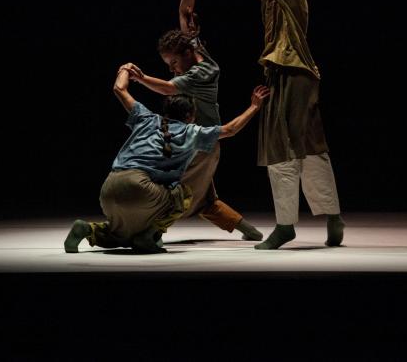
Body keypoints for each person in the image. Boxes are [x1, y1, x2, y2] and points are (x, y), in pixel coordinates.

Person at [184, 0, 345, 250]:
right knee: (308, 145)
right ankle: (332, 218)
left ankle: (287, 225)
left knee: (281, 144)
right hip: (292, 73)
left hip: (291, 70)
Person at [118, 0, 263, 242]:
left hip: (198, 142)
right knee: (205, 197)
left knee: (174, 188)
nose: (172, 69)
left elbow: (168, 88)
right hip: (202, 142)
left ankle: (152, 231)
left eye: (173, 63)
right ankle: (249, 231)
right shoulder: (195, 50)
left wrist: (140, 77)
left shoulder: (201, 72)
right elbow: (185, 14)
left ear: (185, 55)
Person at [63, 62, 269, 254]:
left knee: (123, 235)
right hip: (141, 187)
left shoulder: (145, 117)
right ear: (190, 116)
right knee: (183, 195)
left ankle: (87, 229)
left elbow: (119, 89)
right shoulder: (192, 132)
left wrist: (125, 68)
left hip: (109, 188)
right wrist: (254, 106)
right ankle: (148, 235)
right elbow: (230, 130)